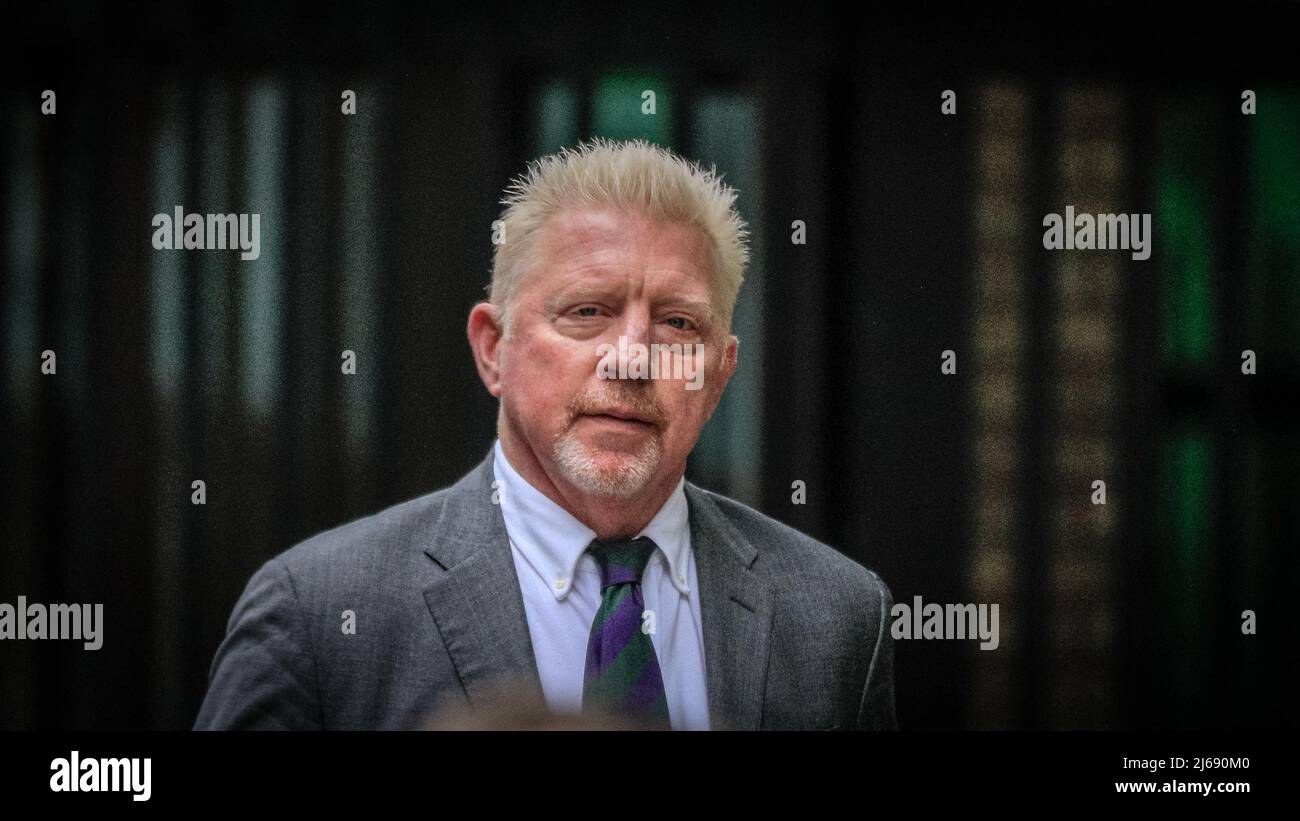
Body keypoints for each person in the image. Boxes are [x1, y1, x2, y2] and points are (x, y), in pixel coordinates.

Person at [194, 137, 897, 731]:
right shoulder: (320, 615)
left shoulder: (836, 618)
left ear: (717, 372)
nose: (631, 358)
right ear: (493, 348)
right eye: (587, 310)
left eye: (679, 324)